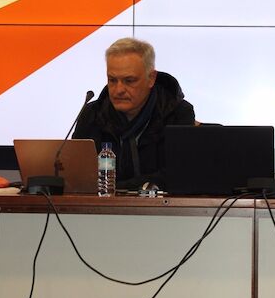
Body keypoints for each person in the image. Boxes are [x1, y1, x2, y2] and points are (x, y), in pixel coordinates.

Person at [73, 37, 195, 190]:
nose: (119, 90)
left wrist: (116, 188)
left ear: (151, 78)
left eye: (129, 81)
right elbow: (76, 174)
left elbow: (178, 173)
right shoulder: (92, 114)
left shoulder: (177, 113)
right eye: (112, 80)